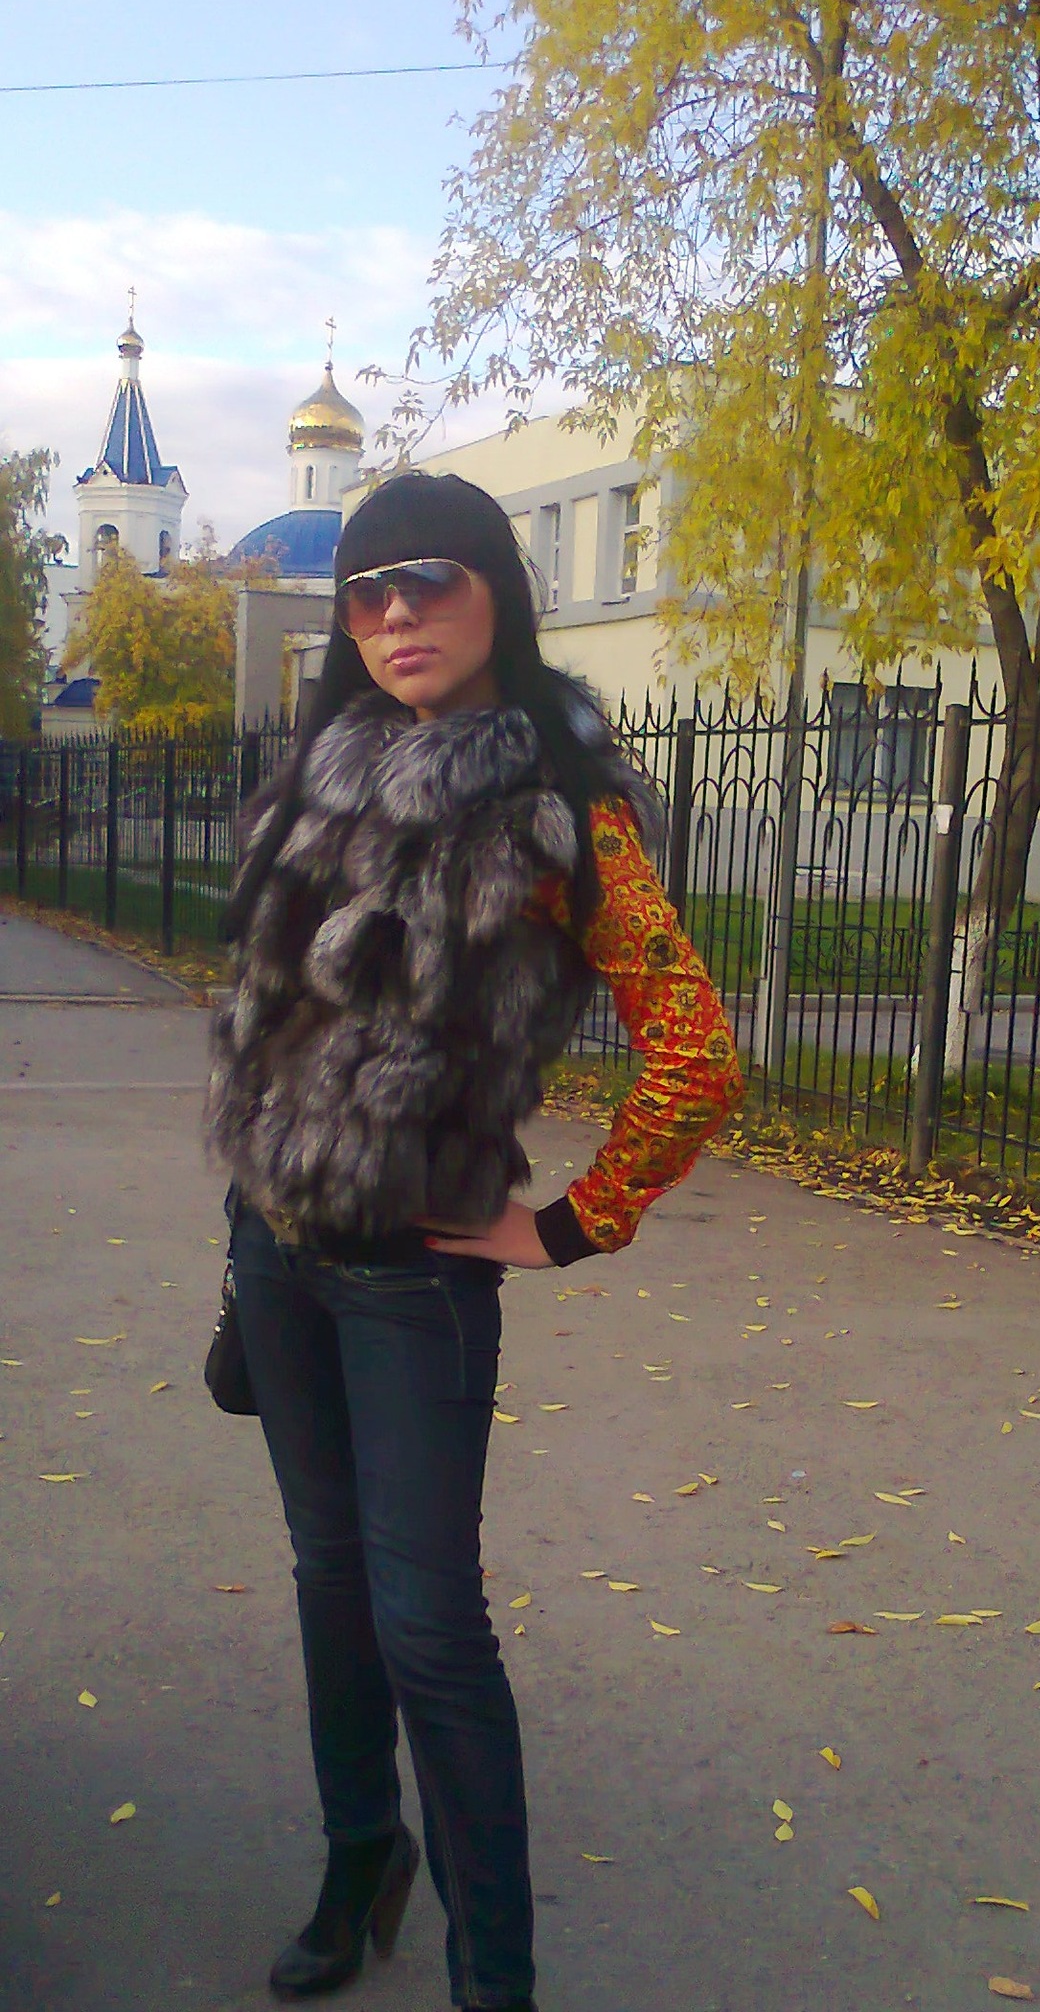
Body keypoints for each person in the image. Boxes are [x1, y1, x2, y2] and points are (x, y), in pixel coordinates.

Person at [207, 470, 744, 2011]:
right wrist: (243, 1229)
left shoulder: (563, 807)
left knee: (429, 1627)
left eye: (425, 582)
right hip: (274, 1253)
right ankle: (357, 1859)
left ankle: (491, 1978)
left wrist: (567, 1224)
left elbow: (696, 1054)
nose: (393, 616)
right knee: (328, 1581)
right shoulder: (314, 778)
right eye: (365, 593)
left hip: (414, 1279)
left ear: (497, 591)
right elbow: (268, 1032)